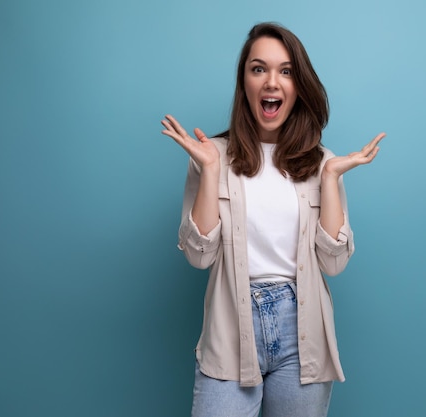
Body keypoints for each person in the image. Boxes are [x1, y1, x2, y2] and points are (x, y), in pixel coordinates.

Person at [161, 22, 385, 417]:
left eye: (285, 71)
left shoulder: (323, 163)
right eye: (258, 68)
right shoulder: (209, 156)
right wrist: (211, 172)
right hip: (229, 326)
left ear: (298, 86)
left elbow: (333, 264)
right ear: (244, 81)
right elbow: (199, 257)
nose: (271, 82)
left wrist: (331, 176)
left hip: (303, 334)